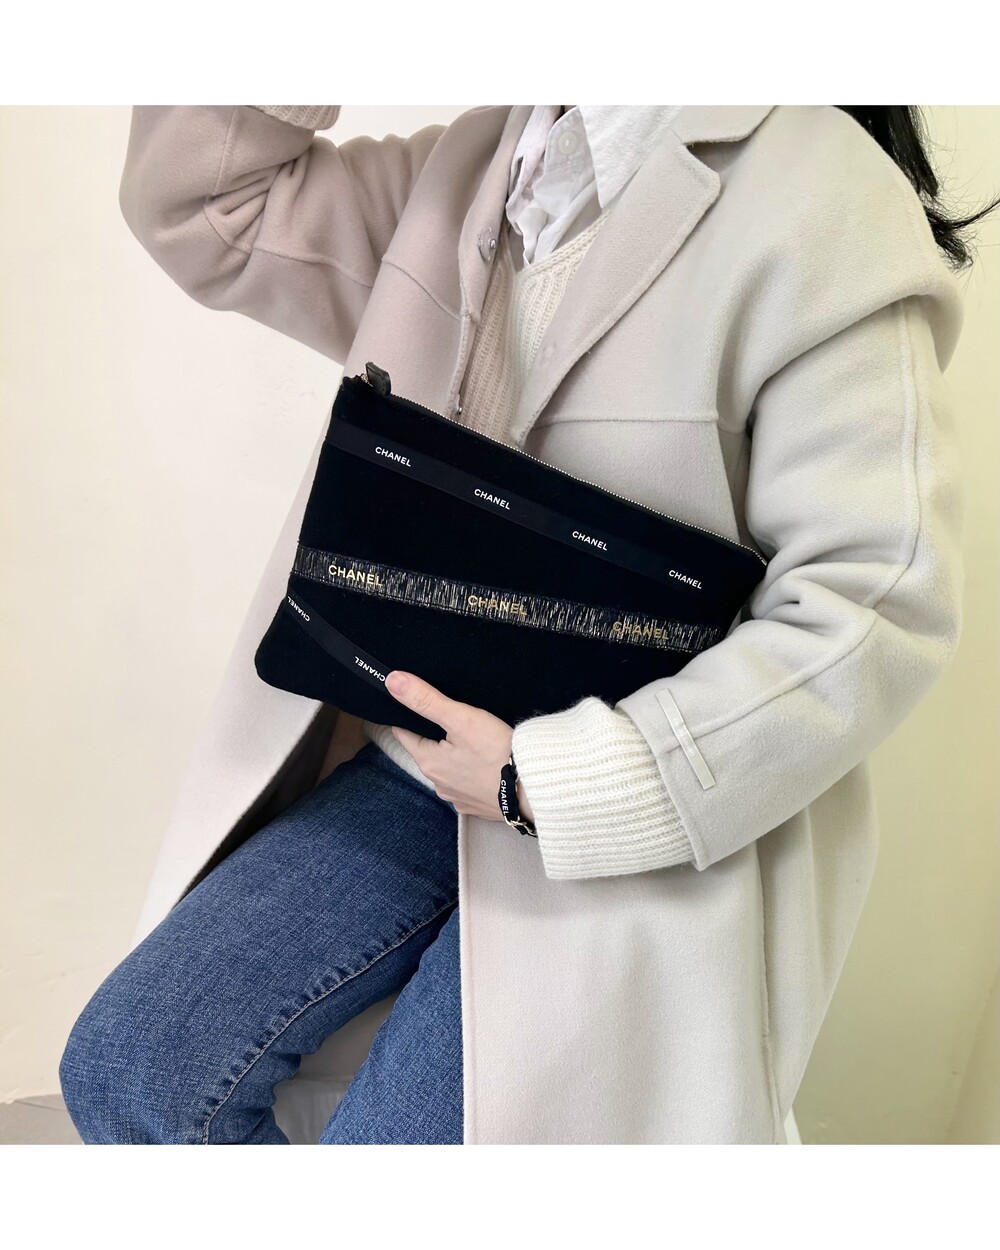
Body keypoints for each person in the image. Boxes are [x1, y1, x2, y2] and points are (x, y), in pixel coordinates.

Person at [59, 105, 997, 1145]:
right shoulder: (477, 161)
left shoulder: (825, 195)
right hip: (415, 764)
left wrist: (554, 780)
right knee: (129, 1068)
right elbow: (202, 203)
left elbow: (875, 596)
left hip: (631, 812)